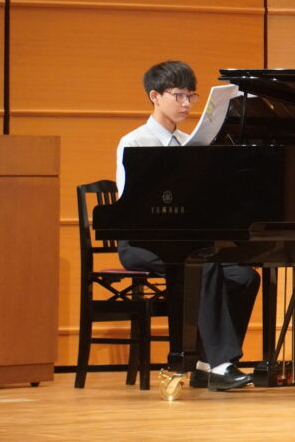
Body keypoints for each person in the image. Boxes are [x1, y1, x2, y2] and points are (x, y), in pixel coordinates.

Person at [116, 60, 260, 392]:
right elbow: (134, 207)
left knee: (244, 276)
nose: (186, 104)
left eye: (191, 97)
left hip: (186, 238)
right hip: (142, 242)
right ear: (155, 96)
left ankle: (207, 364)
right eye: (178, 96)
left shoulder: (190, 142)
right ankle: (221, 364)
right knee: (202, 264)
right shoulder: (135, 143)